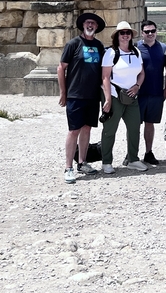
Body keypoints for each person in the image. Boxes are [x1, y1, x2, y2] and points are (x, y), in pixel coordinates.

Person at [57, 12, 106, 183]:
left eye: (93, 23)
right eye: (88, 23)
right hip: (75, 95)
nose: (90, 25)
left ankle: (82, 162)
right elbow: (61, 68)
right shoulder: (73, 44)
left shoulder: (100, 46)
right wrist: (63, 92)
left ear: (97, 27)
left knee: (87, 129)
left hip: (92, 96)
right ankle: (68, 167)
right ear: (83, 25)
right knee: (74, 130)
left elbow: (104, 71)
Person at [100, 21, 149, 174]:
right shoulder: (111, 53)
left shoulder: (136, 52)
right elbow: (105, 77)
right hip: (114, 96)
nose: (125, 35)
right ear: (117, 36)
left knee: (134, 128)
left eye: (128, 33)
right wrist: (107, 99)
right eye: (122, 33)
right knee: (110, 130)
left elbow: (141, 73)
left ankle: (133, 159)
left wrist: (137, 86)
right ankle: (106, 162)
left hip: (131, 96)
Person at [137, 20, 166, 165]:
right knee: (134, 125)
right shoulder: (135, 47)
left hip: (156, 93)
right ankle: (131, 154)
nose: (150, 34)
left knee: (150, 124)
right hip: (137, 94)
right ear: (142, 33)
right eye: (147, 31)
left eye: (153, 31)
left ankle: (148, 153)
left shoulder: (163, 48)